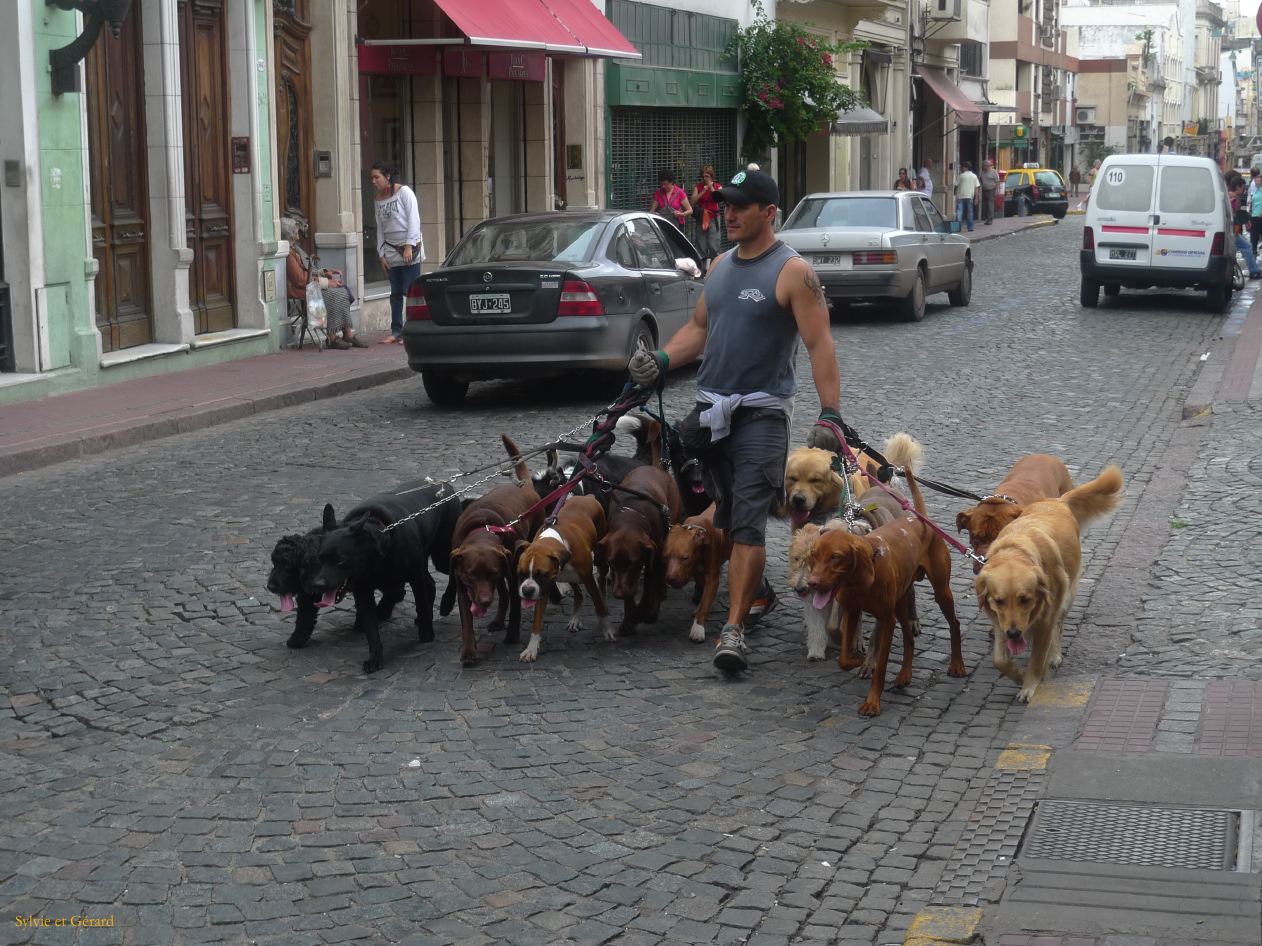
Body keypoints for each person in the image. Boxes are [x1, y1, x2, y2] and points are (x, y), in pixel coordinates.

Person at [626, 166, 843, 676]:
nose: (729, 213)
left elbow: (820, 344)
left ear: (769, 213)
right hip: (711, 409)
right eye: (726, 205)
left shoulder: (793, 273)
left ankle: (735, 629)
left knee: (745, 523)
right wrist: (659, 360)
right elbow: (699, 329)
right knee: (697, 474)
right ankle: (757, 579)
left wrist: (829, 412)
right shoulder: (720, 265)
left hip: (762, 413)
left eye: (740, 206)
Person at [283, 216, 366, 349]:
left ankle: (347, 333)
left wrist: (325, 272)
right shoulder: (288, 254)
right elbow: (300, 280)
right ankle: (332, 338)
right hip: (301, 290)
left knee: (343, 290)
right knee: (333, 294)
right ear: (289, 234)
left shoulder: (295, 249)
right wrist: (326, 282)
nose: (298, 236)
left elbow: (309, 270)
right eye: (296, 232)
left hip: (309, 286)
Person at [370, 160, 422, 344]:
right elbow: (380, 228)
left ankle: (411, 329)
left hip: (408, 249)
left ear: (388, 177)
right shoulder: (378, 200)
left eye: (377, 177)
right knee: (395, 293)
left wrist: (409, 245)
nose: (374, 181)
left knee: (411, 291)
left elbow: (414, 219)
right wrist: (381, 253)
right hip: (391, 249)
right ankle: (396, 331)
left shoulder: (404, 193)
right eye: (372, 178)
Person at [1229, 177, 1262, 279]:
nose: (1244, 190)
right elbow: (1233, 215)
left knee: (1246, 246)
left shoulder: (1228, 196)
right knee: (1246, 246)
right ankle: (1254, 271)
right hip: (1231, 230)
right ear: (1238, 187)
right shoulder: (1234, 199)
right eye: (1243, 187)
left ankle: (1254, 270)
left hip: (1231, 229)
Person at [691, 165, 722, 272]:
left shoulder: (718, 186)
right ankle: (702, 268)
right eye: (703, 176)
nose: (705, 179)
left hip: (713, 218)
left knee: (713, 244)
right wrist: (702, 192)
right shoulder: (698, 187)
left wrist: (711, 187)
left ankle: (716, 267)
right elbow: (693, 201)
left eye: (707, 176)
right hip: (702, 218)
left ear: (711, 177)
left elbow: (718, 199)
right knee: (701, 244)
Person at [955, 161, 980, 233]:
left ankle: (957, 228)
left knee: (959, 212)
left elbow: (956, 186)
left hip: (960, 196)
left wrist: (955, 193)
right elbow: (977, 188)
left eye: (963, 167)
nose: (962, 168)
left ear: (966, 167)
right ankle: (970, 228)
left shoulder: (961, 176)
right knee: (970, 212)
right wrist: (976, 198)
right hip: (970, 196)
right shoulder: (974, 176)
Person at [980, 159, 1000, 226]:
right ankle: (986, 218)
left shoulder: (993, 172)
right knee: (985, 205)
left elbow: (997, 181)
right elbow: (981, 180)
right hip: (984, 190)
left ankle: (990, 220)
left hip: (991, 190)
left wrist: (997, 190)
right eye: (984, 166)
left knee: (990, 204)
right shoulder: (982, 172)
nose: (985, 167)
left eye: (986, 166)